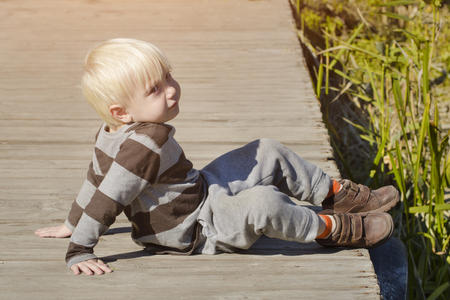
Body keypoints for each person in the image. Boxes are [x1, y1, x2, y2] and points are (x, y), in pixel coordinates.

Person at [35, 38, 399, 276]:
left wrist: (71, 220)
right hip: (194, 229)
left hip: (202, 192)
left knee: (266, 150)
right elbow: (107, 194)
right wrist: (80, 247)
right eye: (155, 88)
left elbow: (94, 178)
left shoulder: (109, 132)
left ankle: (335, 194)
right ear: (122, 112)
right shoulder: (140, 149)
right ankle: (329, 228)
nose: (172, 90)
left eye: (168, 76)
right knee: (263, 203)